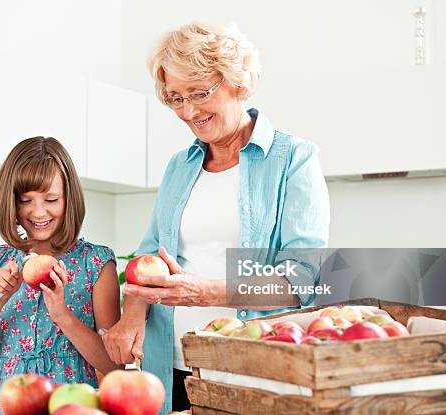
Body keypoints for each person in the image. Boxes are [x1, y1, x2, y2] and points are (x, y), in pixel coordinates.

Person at [102, 22, 330, 413]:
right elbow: (148, 256)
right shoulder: (181, 165)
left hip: (250, 368)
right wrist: (133, 313)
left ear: (237, 82)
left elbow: (303, 279)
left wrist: (205, 291)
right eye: (175, 98)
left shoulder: (293, 158)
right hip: (170, 366)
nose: (188, 111)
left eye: (198, 93)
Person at [0, 137, 122, 414]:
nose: (38, 212)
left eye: (51, 199)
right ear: (11, 203)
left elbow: (115, 365)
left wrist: (62, 315)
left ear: (69, 198)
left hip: (70, 403)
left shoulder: (96, 263)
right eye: (25, 200)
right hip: (2, 401)